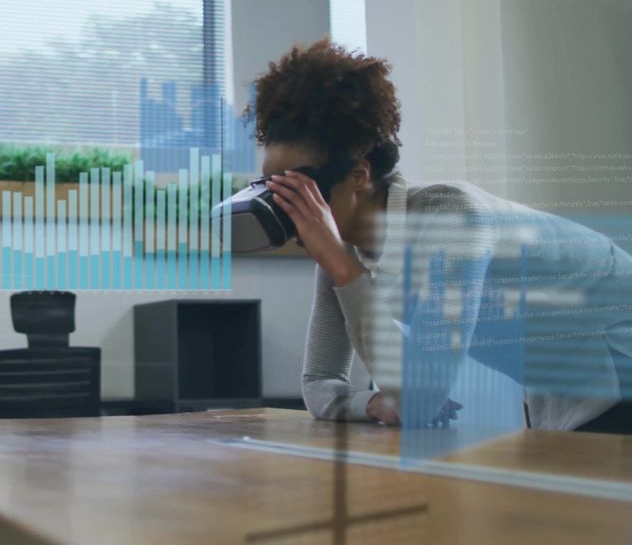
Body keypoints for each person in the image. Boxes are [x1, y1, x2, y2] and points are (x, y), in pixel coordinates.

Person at [253, 38, 632, 433]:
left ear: (359, 174)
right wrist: (375, 403)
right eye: (276, 192)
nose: (291, 213)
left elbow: (421, 398)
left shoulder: (452, 217)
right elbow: (319, 381)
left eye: (302, 191)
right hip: (560, 392)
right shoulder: (343, 250)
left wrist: (340, 264)